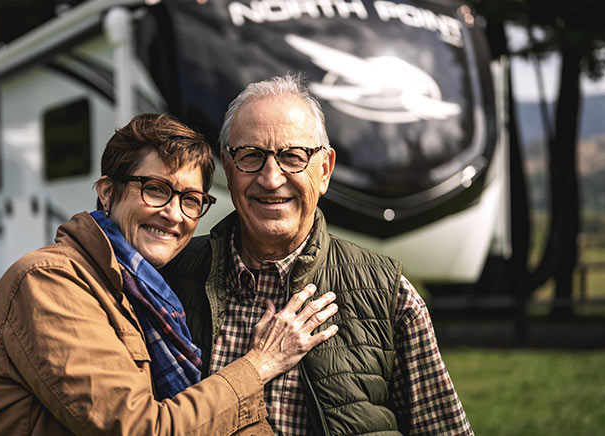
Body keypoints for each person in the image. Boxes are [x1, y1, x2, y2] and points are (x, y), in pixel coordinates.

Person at [0, 113, 339, 436]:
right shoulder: (50, 281)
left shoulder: (146, 291)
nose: (174, 214)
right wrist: (260, 364)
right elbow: (140, 428)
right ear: (106, 193)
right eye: (156, 189)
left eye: (190, 199)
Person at [162, 75, 474, 436]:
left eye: (293, 157)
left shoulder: (391, 297)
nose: (271, 178)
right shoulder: (171, 277)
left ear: (324, 170)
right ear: (228, 169)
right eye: (251, 156)